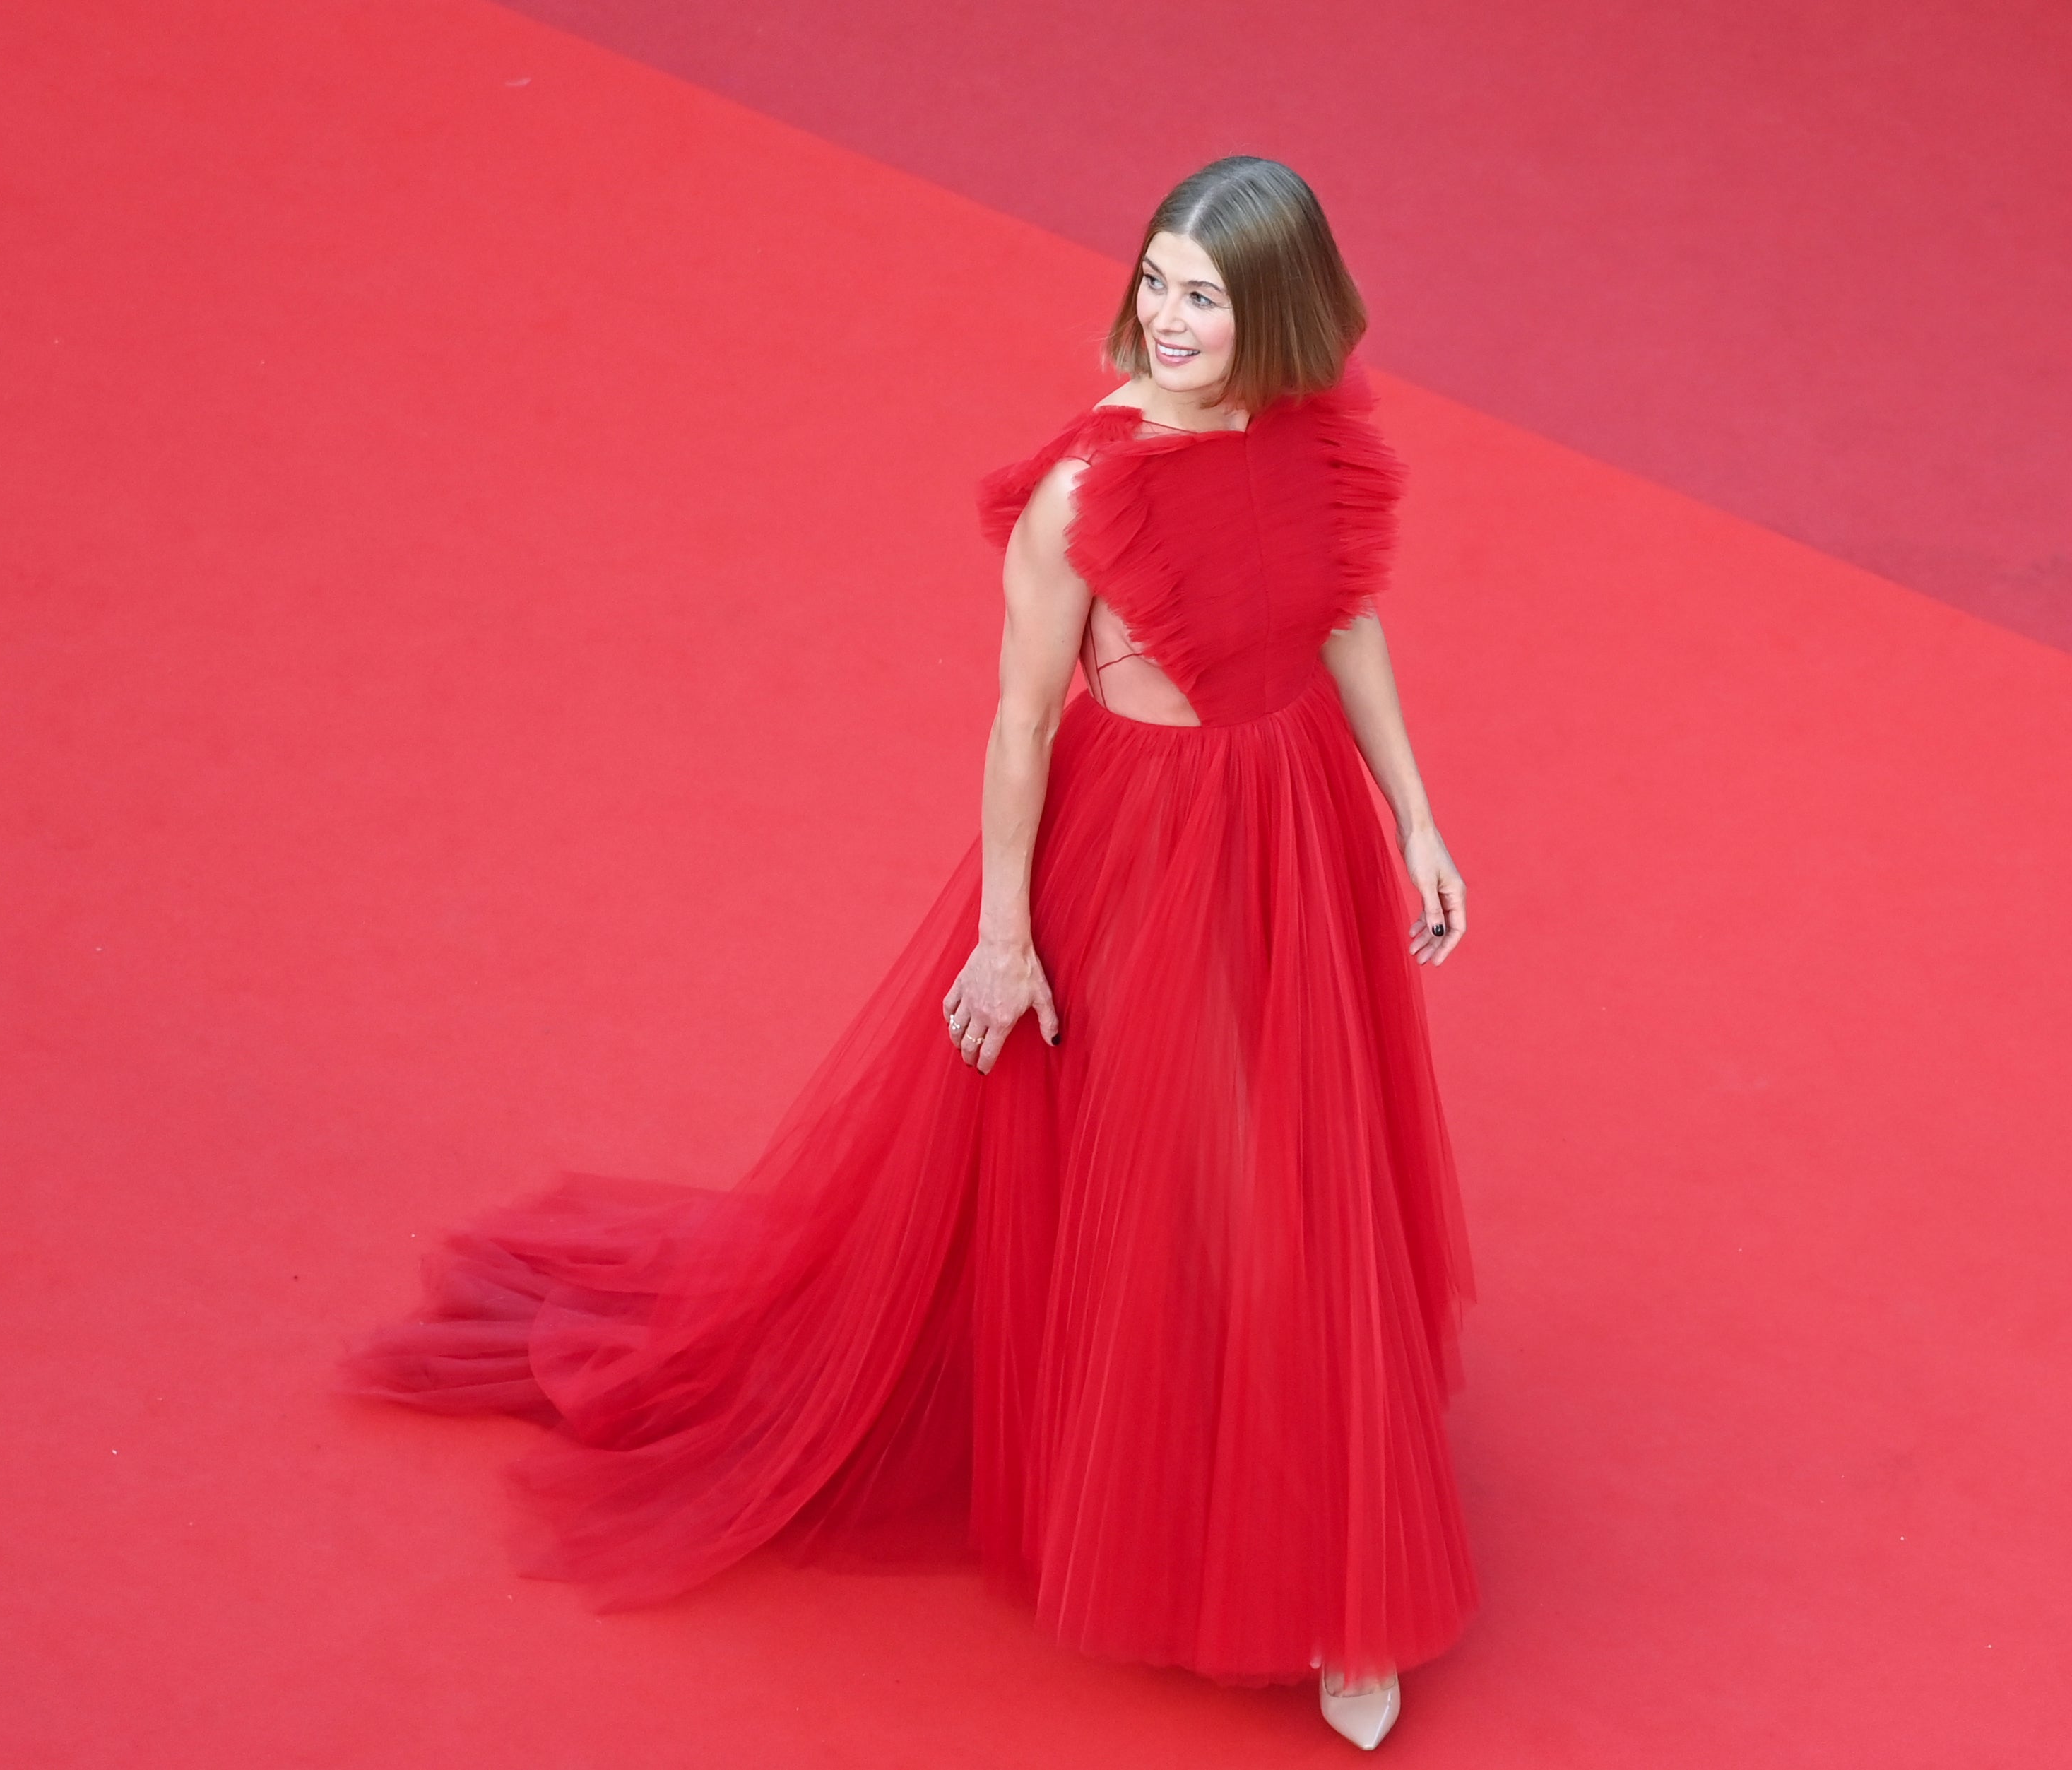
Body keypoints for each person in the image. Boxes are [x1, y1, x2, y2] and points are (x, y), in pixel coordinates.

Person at [344, 155, 1476, 1751]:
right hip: (1143, 863)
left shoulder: (1316, 441)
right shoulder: (1089, 490)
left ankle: (1331, 1572)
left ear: (1278, 309)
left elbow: (1343, 615)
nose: (1166, 316)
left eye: (1205, 295)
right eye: (1155, 277)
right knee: (1210, 1195)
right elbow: (1021, 721)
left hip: (1293, 841)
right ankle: (1287, 1564)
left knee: (1304, 1178)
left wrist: (1414, 814)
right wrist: (1008, 937)